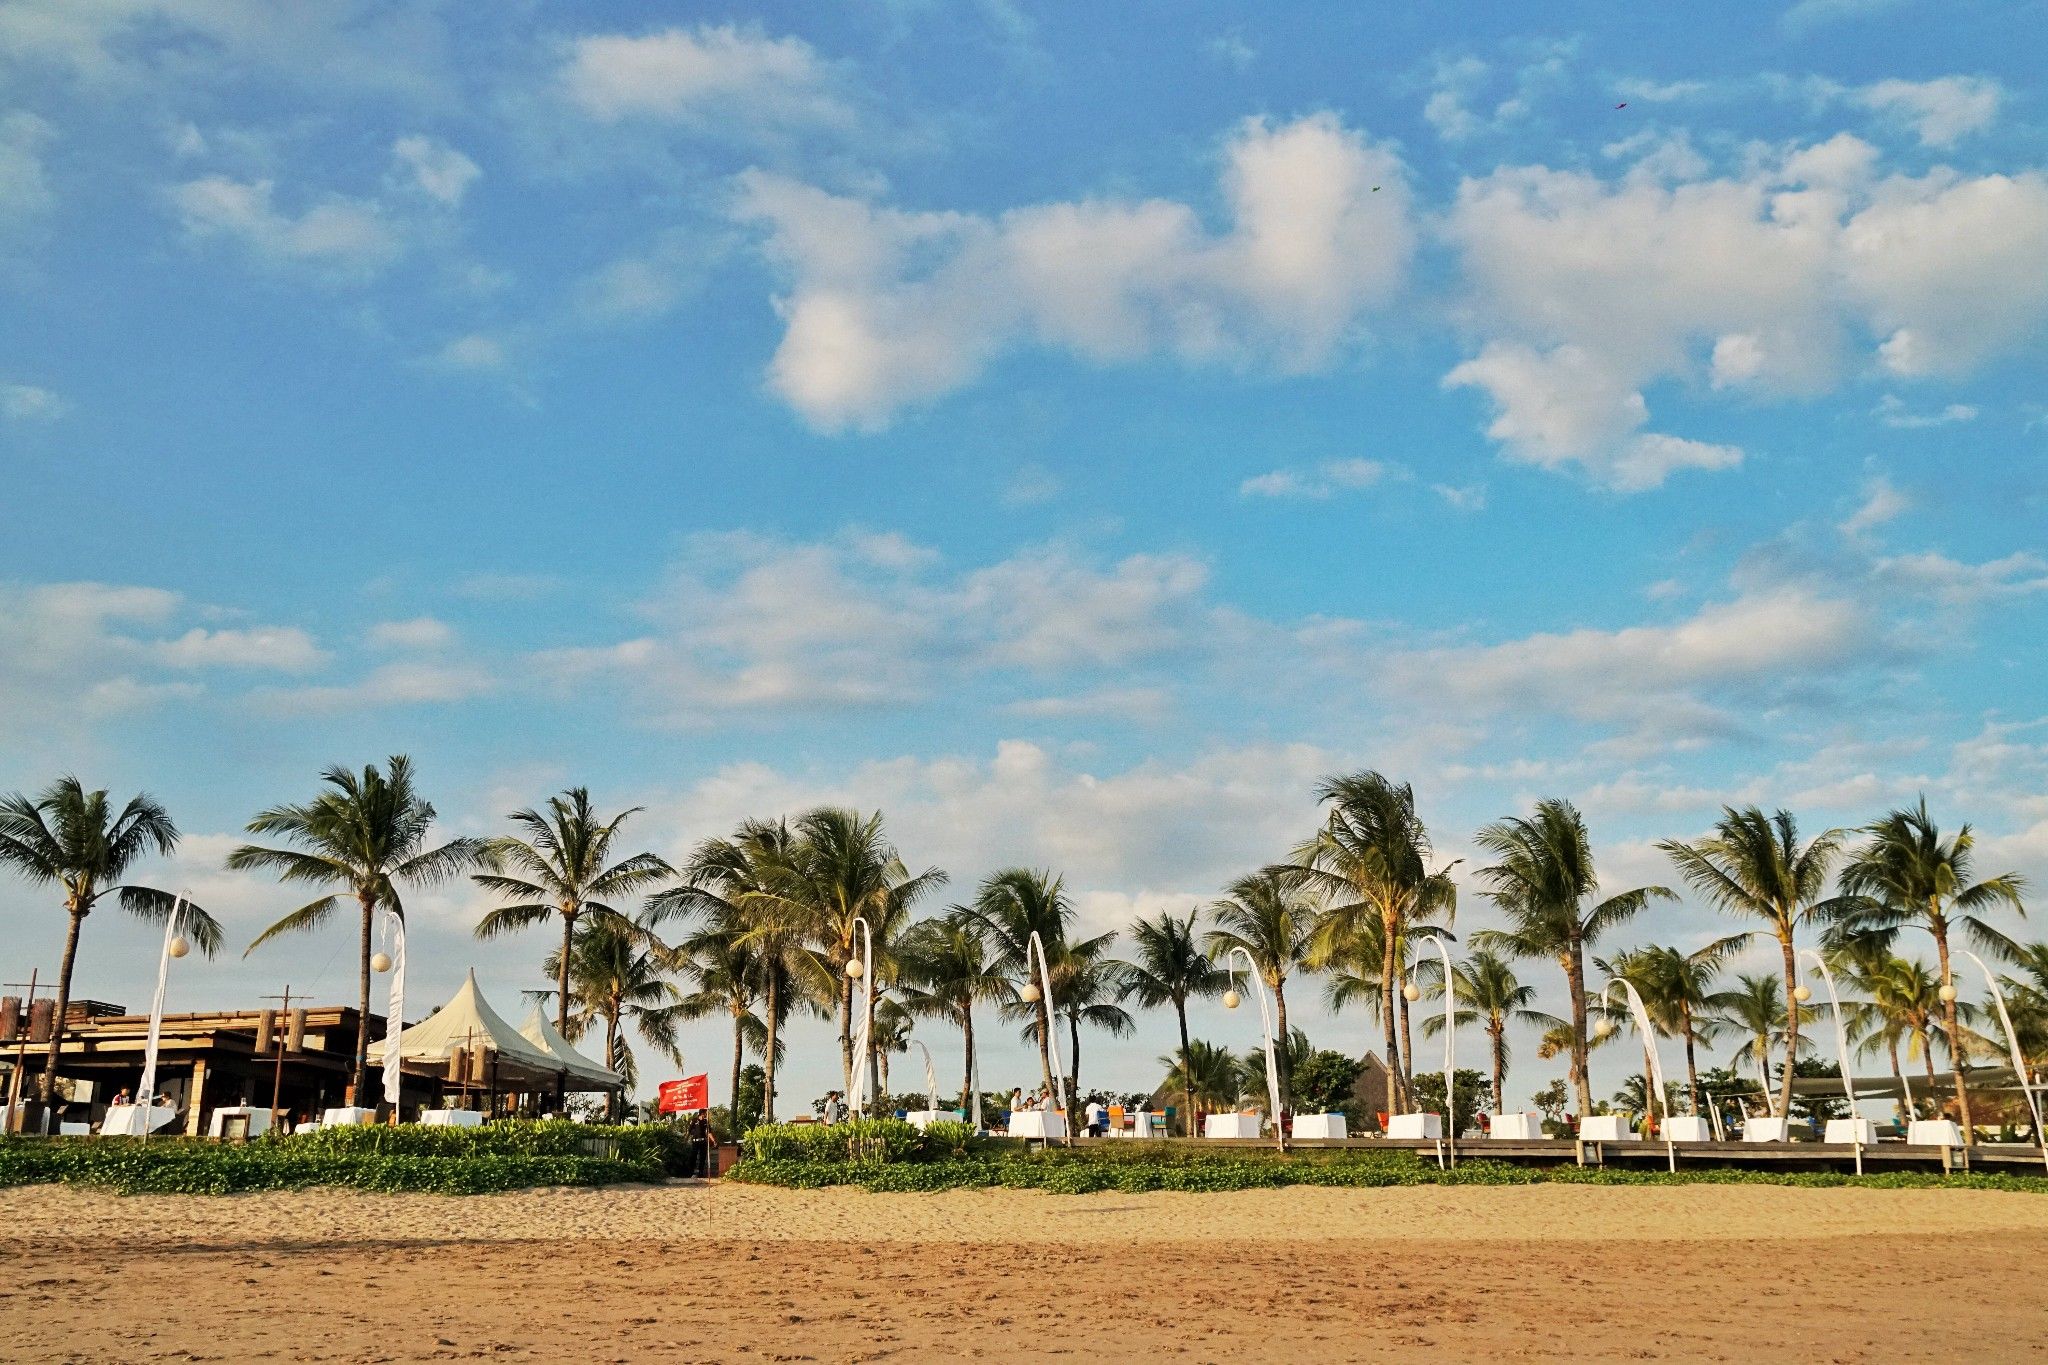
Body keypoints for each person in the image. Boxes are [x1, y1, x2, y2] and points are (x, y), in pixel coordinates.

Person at [686, 1110, 711, 1178]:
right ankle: (690, 1173)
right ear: (701, 1114)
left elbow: (709, 1132)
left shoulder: (706, 1121)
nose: (706, 1115)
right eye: (705, 1113)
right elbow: (689, 1131)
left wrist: (714, 1140)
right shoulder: (694, 1120)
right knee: (693, 1157)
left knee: (702, 1158)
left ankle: (700, 1173)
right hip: (695, 1142)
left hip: (703, 1142)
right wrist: (685, 1139)